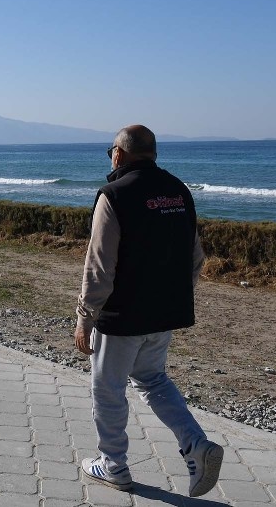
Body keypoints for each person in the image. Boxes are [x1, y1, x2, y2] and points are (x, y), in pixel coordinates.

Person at [74, 125, 222, 497]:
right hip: (163, 313)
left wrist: (84, 317)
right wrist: (172, 296)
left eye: (111, 150)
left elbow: (99, 266)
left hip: (121, 315)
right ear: (153, 154)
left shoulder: (114, 194)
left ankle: (113, 465)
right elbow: (196, 257)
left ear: (119, 154)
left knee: (107, 390)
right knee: (153, 380)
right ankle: (196, 444)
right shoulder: (179, 191)